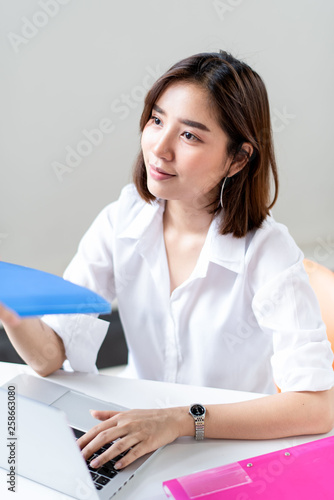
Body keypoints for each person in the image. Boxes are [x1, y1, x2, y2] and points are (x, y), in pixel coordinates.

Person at [1, 51, 334, 472]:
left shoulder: (268, 252)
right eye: (157, 120)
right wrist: (12, 313)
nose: (158, 147)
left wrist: (179, 420)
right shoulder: (122, 218)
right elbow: (51, 356)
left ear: (238, 158)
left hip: (229, 454)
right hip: (141, 436)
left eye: (190, 136)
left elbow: (316, 408)